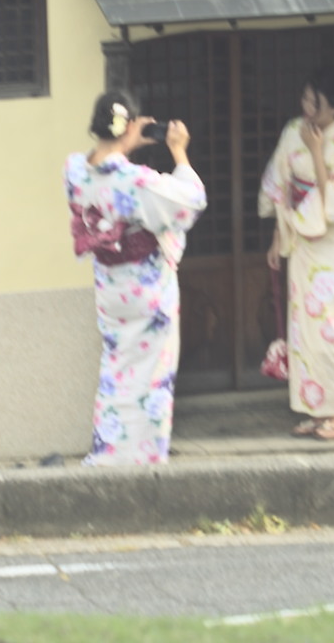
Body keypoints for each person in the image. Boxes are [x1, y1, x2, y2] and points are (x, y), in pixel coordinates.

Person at [64, 91, 207, 465]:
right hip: (146, 290)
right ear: (130, 125)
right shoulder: (133, 180)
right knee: (151, 378)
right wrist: (177, 150)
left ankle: (110, 451)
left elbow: (102, 164)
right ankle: (142, 458)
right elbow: (191, 200)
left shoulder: (76, 172)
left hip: (110, 287)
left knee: (117, 370)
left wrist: (127, 140)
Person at [258, 67, 334, 440]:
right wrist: (278, 235)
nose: (306, 106)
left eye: (314, 101)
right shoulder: (295, 129)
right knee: (304, 325)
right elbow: (280, 182)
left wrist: (317, 152)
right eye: (305, 98)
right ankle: (319, 407)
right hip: (303, 235)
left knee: (332, 323)